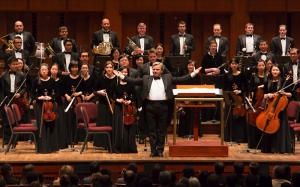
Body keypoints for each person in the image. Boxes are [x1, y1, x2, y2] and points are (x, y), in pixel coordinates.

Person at [114, 62, 201, 157]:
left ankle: (160, 150)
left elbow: (181, 79)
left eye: (157, 69)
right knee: (151, 130)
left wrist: (194, 73)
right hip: (150, 106)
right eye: (154, 69)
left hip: (164, 106)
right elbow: (134, 81)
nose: (155, 71)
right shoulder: (146, 78)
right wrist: (121, 76)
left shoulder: (168, 77)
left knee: (161, 130)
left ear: (161, 70)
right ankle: (153, 150)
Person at [260, 63, 292, 153]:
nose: (275, 71)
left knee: (280, 128)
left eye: (277, 70)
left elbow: (290, 94)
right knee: (268, 125)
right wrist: (268, 95)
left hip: (280, 110)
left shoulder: (284, 82)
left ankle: (279, 148)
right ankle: (268, 148)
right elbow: (264, 95)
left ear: (280, 71)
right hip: (270, 108)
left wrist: (284, 93)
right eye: (273, 70)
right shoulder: (267, 82)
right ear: (270, 71)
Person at [31, 63, 59, 153]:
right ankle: (42, 147)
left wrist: (51, 97)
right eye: (42, 70)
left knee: (50, 124)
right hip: (40, 105)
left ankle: (51, 147)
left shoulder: (52, 81)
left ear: (48, 70)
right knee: (41, 125)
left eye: (45, 70)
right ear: (40, 71)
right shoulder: (36, 81)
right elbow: (32, 93)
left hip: (50, 105)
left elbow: (57, 93)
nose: (44, 71)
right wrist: (38, 97)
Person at [110, 66, 137, 153]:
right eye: (122, 72)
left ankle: (129, 147)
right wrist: (117, 99)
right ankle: (119, 146)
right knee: (119, 127)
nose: (124, 73)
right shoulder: (115, 83)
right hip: (118, 108)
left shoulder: (130, 84)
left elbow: (135, 96)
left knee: (128, 126)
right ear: (119, 73)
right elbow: (111, 94)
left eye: (126, 72)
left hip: (128, 108)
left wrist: (129, 101)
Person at [0, 57, 26, 145]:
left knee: (15, 119)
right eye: (14, 64)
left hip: (16, 98)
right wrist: (3, 102)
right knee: (6, 119)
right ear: (9, 65)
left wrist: (20, 94)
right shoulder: (4, 75)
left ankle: (15, 139)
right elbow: (1, 90)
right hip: (7, 97)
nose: (16, 66)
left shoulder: (21, 75)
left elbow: (25, 87)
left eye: (17, 64)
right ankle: (6, 139)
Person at [223, 57, 248, 143]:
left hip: (239, 98)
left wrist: (240, 91)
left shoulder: (242, 74)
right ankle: (229, 137)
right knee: (229, 116)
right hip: (229, 98)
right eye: (232, 63)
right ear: (230, 65)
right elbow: (224, 87)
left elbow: (246, 87)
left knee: (238, 118)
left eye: (235, 64)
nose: (234, 65)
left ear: (238, 65)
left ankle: (239, 138)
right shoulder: (227, 75)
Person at [93, 61, 117, 148]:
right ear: (105, 69)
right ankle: (103, 143)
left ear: (113, 68)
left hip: (114, 104)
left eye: (111, 67)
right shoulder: (101, 79)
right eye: (107, 67)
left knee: (112, 123)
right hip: (103, 104)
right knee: (103, 123)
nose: (109, 69)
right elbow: (94, 91)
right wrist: (99, 92)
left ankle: (113, 143)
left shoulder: (116, 79)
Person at [62, 60, 85, 145]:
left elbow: (85, 89)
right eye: (72, 67)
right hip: (68, 101)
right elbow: (62, 89)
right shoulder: (66, 78)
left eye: (76, 67)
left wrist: (78, 93)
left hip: (77, 102)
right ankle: (68, 139)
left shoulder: (81, 79)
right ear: (70, 68)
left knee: (76, 120)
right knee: (68, 119)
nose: (74, 69)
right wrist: (67, 96)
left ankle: (76, 139)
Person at [178, 60, 201, 138]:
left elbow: (198, 89)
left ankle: (194, 132)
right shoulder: (183, 75)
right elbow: (180, 87)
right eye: (189, 65)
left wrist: (190, 99)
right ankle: (184, 132)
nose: (190, 66)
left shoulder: (197, 77)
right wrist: (184, 98)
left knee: (193, 114)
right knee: (184, 114)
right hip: (183, 98)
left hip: (194, 99)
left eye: (192, 65)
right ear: (186, 66)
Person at [248, 59, 267, 148]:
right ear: (256, 67)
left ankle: (264, 143)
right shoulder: (253, 76)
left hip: (266, 101)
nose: (261, 67)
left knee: (264, 121)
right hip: (257, 101)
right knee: (255, 121)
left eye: (262, 65)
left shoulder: (268, 76)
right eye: (259, 65)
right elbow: (250, 89)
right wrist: (259, 87)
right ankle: (254, 143)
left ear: (265, 66)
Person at [50, 63, 68, 149]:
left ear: (58, 71)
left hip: (58, 103)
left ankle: (60, 144)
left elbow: (61, 92)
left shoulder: (60, 81)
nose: (54, 71)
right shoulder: (47, 80)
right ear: (50, 70)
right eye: (52, 69)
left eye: (56, 69)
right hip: (48, 105)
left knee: (60, 123)